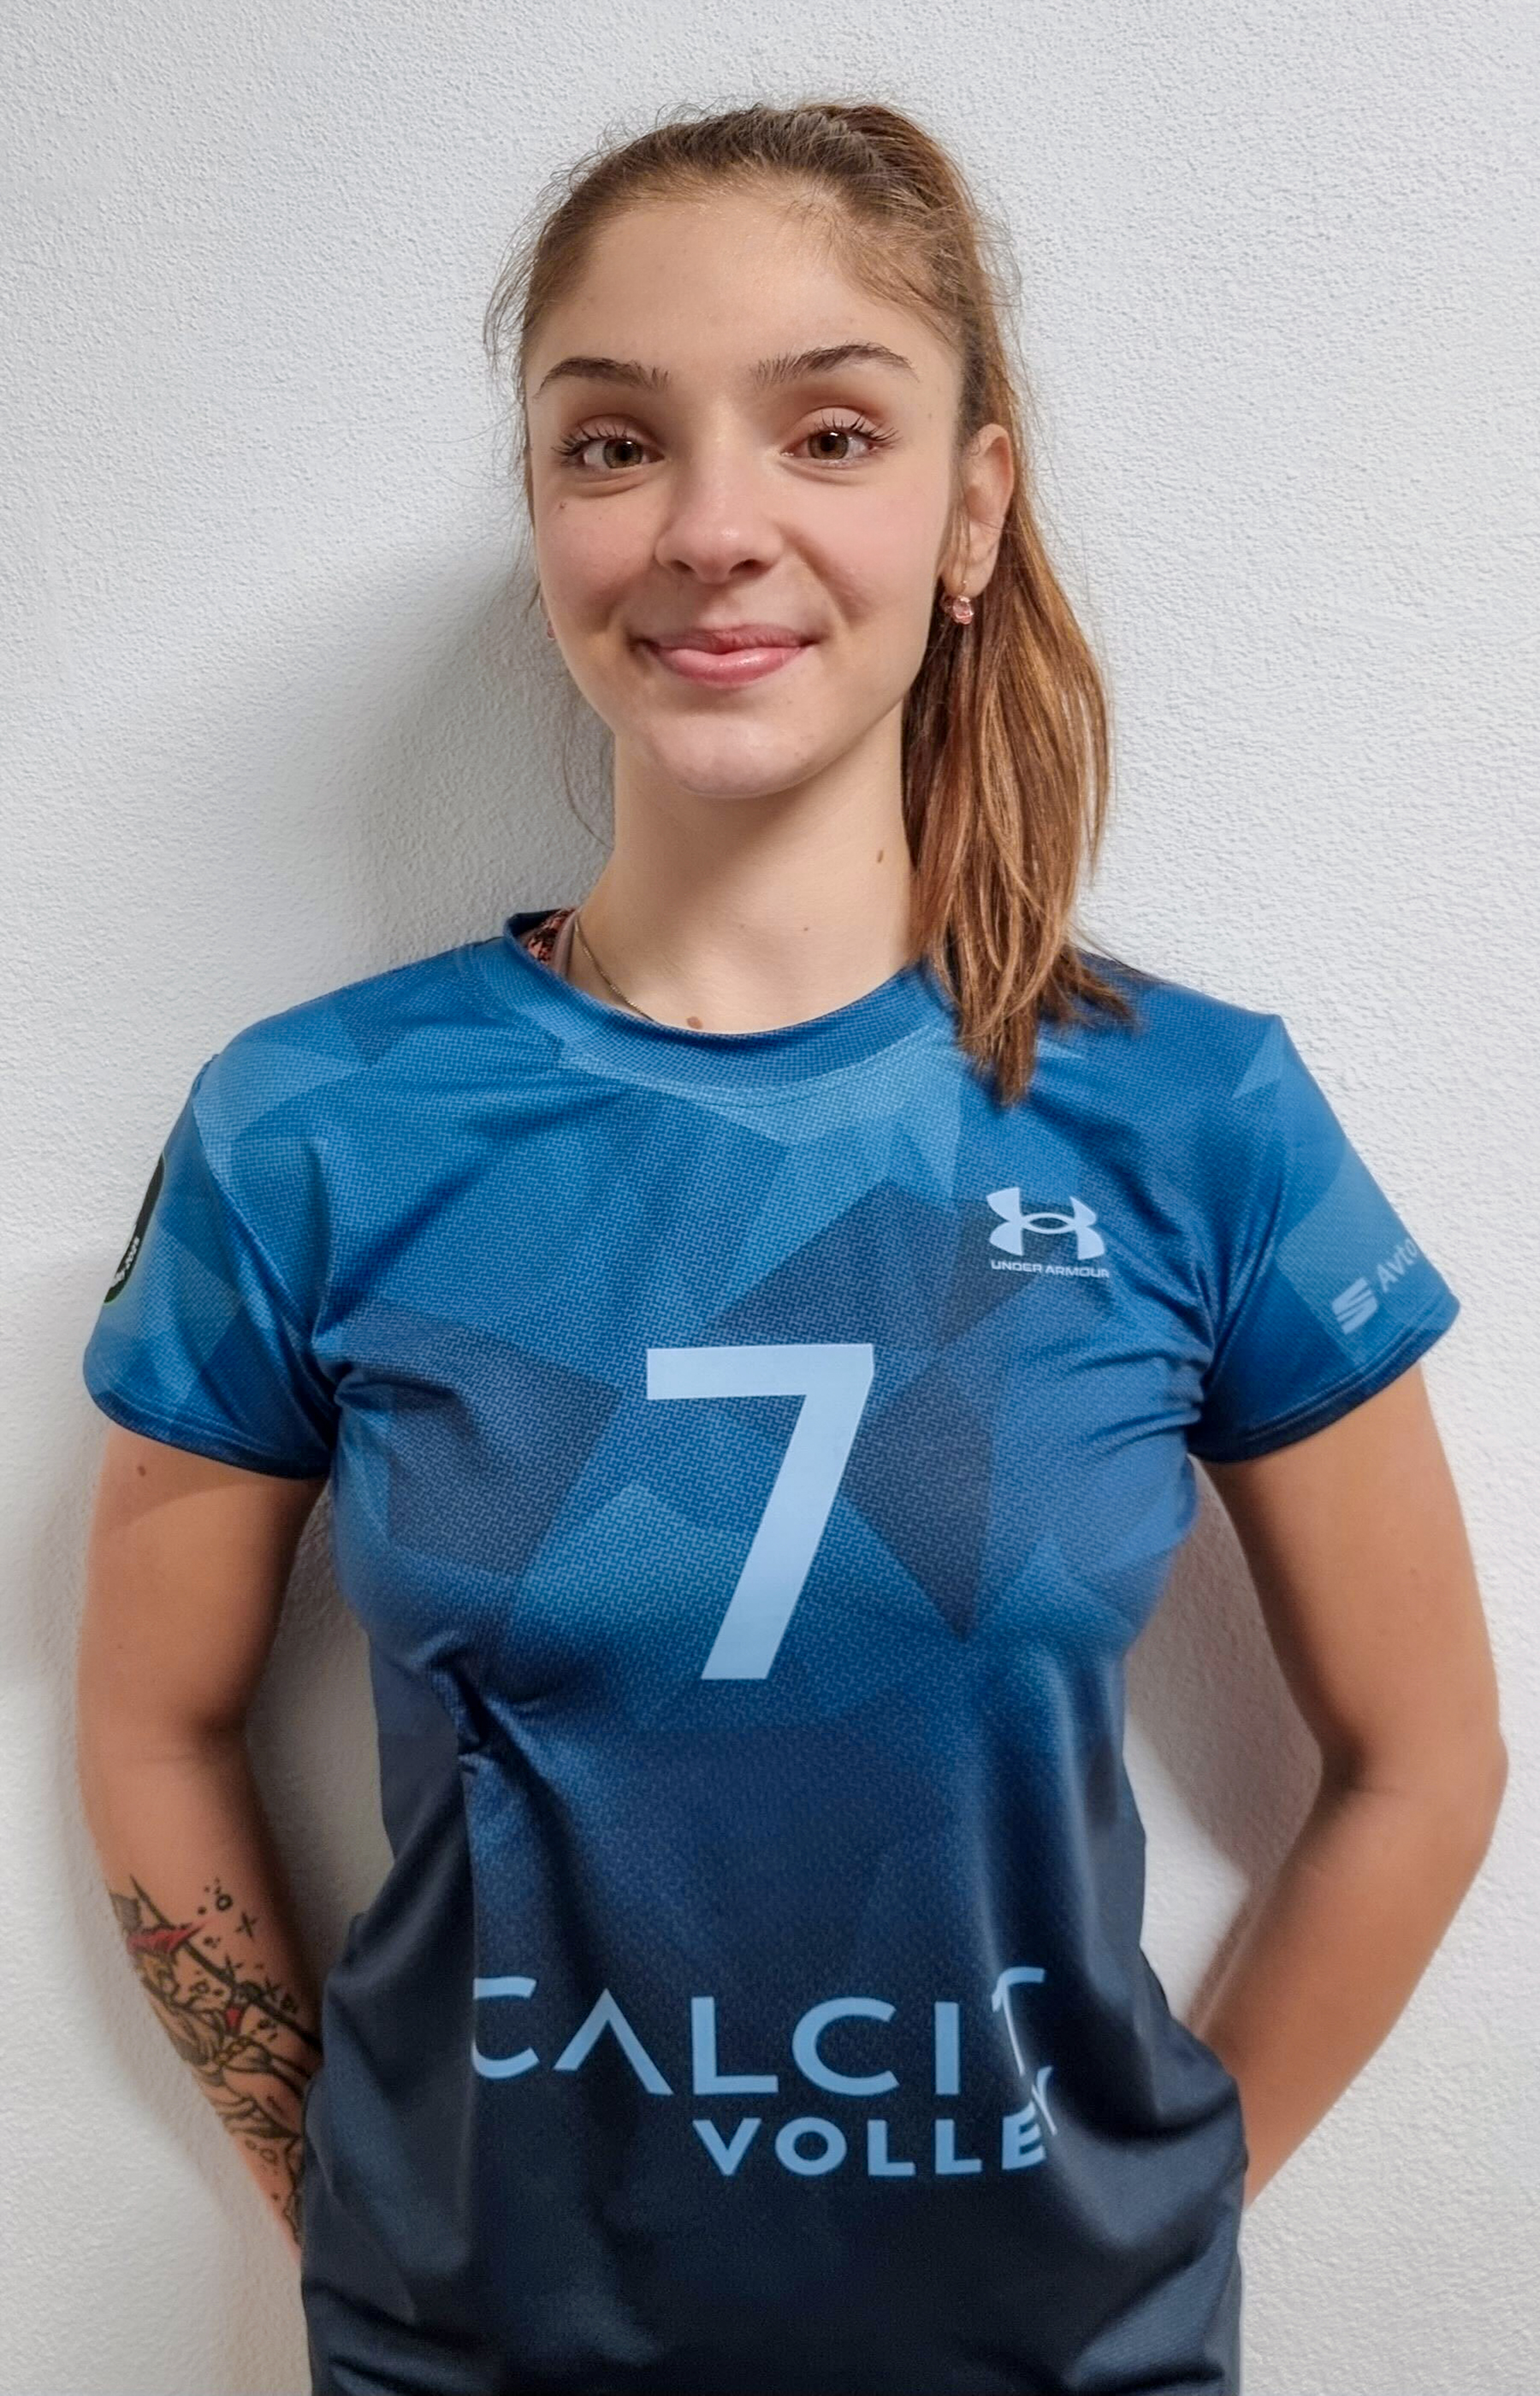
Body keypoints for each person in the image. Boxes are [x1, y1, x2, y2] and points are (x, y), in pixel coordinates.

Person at [74, 97, 1505, 2396]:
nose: (712, 526)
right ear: (546, 512)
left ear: (972, 511)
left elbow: (1428, 1757)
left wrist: (1161, 2218)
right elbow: (151, 1716)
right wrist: (342, 2201)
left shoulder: (1194, 1118)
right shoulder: (314, 1125)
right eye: (612, 442)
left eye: (829, 432)